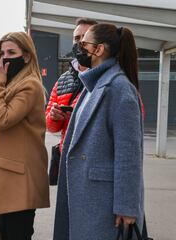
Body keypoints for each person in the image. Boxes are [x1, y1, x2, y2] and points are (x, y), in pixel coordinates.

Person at [53, 23, 144, 240]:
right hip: (90, 196)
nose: (78, 48)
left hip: (103, 204)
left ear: (99, 49)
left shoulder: (119, 88)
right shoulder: (93, 85)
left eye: (83, 43)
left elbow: (129, 154)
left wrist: (127, 206)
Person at [0, 32, 50, 239]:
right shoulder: (13, 84)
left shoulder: (30, 85)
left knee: (16, 233)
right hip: (9, 178)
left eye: (12, 52)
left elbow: (2, 119)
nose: (5, 58)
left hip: (18, 181)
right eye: (1, 53)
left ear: (27, 56)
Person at [45, 18, 97, 152]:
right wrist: (54, 117)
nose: (80, 42)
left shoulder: (109, 76)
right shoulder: (63, 80)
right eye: (76, 38)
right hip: (67, 157)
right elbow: (50, 127)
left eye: (85, 37)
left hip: (96, 160)